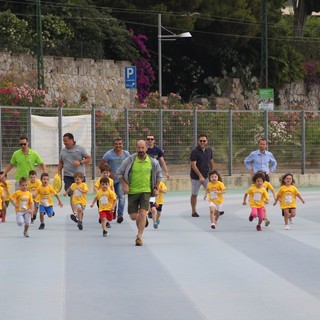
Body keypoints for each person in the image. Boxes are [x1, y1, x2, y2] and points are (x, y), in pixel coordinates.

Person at [116, 140, 162, 246]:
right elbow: (119, 173)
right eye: (139, 148)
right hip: (133, 191)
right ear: (136, 148)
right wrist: (125, 184)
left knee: (142, 213)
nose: (141, 150)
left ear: (146, 148)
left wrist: (155, 187)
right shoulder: (130, 160)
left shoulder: (153, 162)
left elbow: (159, 175)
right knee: (133, 216)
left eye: (143, 148)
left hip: (146, 191)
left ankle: (139, 236)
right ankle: (142, 220)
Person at [57, 133, 91, 222]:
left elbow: (89, 159)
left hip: (79, 177)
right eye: (63, 141)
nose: (64, 142)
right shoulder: (63, 151)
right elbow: (61, 162)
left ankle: (79, 218)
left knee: (79, 195)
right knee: (72, 194)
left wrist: (80, 162)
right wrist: (58, 171)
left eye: (66, 141)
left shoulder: (80, 149)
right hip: (68, 176)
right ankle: (75, 213)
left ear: (72, 140)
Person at [99, 137, 130, 224]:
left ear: (122, 144)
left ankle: (120, 215)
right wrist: (108, 172)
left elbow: (130, 165)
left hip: (122, 179)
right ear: (113, 145)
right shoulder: (108, 154)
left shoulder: (126, 154)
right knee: (112, 197)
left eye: (120, 144)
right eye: (116, 144)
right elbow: (101, 165)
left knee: (121, 196)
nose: (118, 145)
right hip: (110, 181)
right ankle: (113, 211)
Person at [190, 134, 214, 217]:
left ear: (206, 141)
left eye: (204, 141)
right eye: (201, 141)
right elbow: (193, 165)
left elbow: (211, 161)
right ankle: (193, 211)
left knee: (212, 192)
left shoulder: (209, 151)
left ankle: (215, 209)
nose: (202, 142)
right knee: (194, 194)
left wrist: (213, 173)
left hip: (206, 175)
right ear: (198, 141)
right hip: (196, 177)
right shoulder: (195, 152)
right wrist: (200, 176)